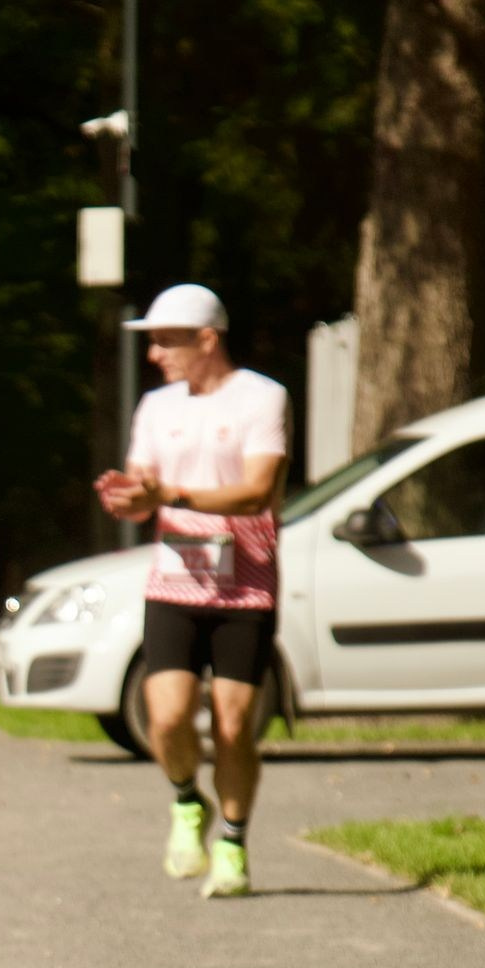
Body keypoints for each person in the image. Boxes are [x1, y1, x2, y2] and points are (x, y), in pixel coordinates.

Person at [94, 283, 289, 900]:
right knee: (169, 715)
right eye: (151, 342)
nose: (155, 354)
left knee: (233, 727)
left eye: (167, 341)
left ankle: (233, 843)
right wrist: (126, 497)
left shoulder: (263, 397)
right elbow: (142, 489)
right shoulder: (156, 408)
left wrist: (169, 497)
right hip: (175, 580)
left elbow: (257, 490)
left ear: (208, 339)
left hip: (247, 586)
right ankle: (187, 801)